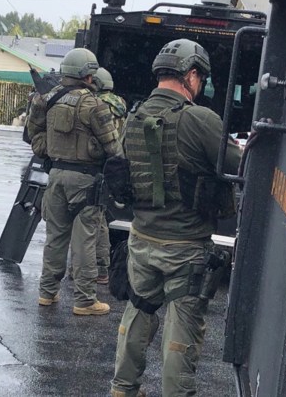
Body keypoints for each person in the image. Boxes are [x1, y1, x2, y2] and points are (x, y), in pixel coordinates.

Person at [111, 39, 241, 397]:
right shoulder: (200, 120)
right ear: (192, 74)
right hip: (186, 246)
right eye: (201, 78)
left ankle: (122, 388)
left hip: (141, 238)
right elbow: (239, 164)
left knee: (138, 312)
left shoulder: (133, 118)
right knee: (181, 328)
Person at [27, 48, 122, 315]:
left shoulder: (45, 99)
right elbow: (113, 146)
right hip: (86, 180)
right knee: (85, 241)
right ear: (88, 75)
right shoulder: (94, 105)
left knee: (55, 237)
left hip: (55, 176)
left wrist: (47, 150)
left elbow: (33, 134)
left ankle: (47, 293)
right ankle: (84, 300)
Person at [91, 67, 128, 284]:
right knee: (102, 218)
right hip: (113, 167)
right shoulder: (120, 104)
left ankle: (97, 269)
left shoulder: (98, 105)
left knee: (92, 221)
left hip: (96, 166)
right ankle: (103, 267)